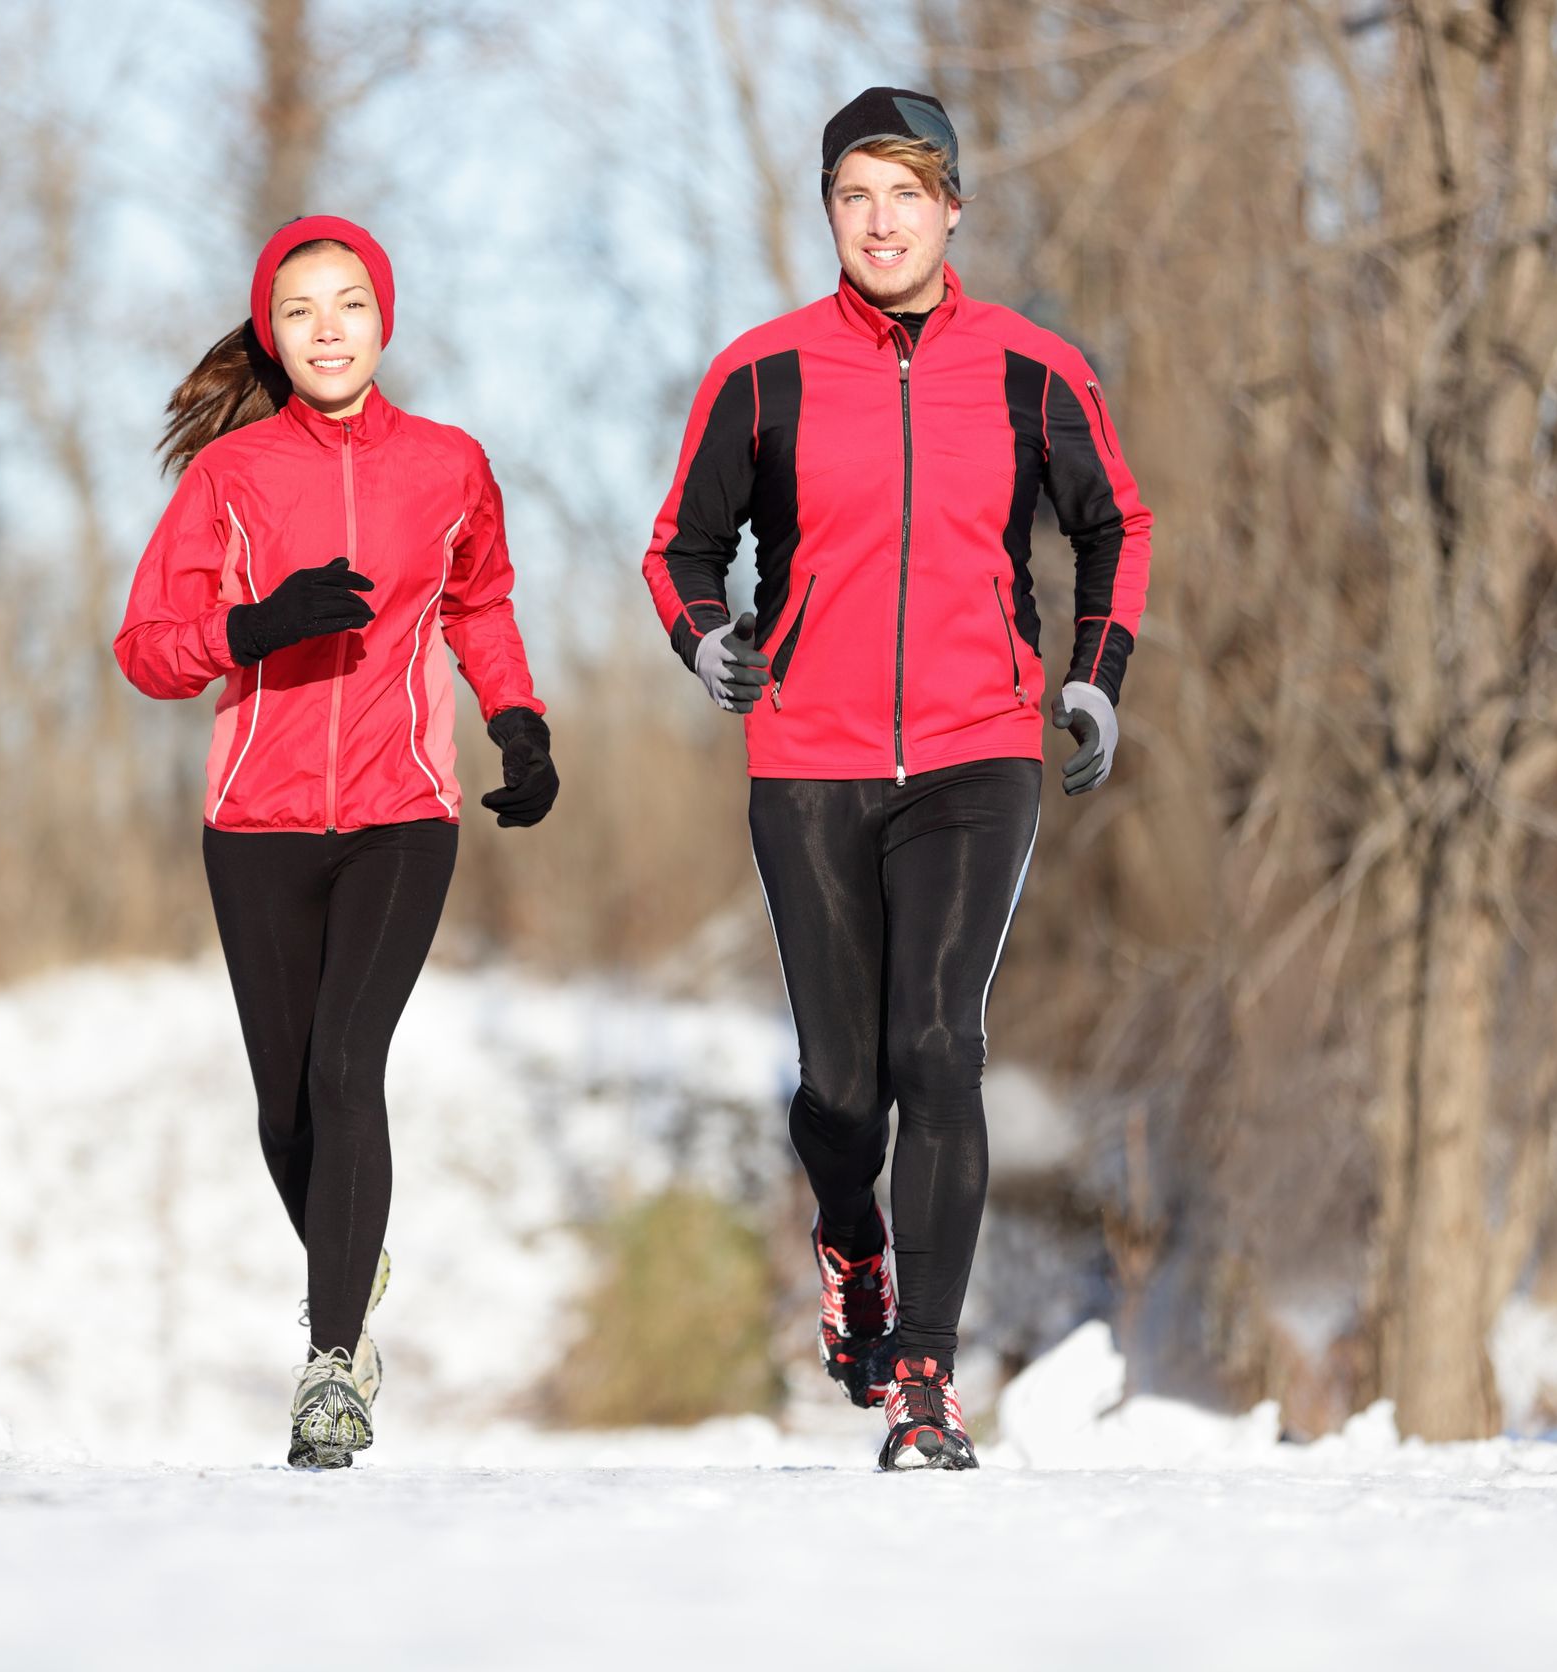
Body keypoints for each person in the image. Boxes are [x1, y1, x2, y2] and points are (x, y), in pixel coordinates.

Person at [640, 88, 1151, 1470]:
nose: (882, 221)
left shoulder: (1031, 369)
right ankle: (850, 1239)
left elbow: (1112, 523)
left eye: (907, 195)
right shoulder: (766, 375)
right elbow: (679, 552)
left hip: (979, 748)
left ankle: (925, 1374)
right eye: (856, 196)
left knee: (941, 1047)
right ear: (831, 214)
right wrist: (709, 648)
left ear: (952, 209)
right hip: (808, 756)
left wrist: (1093, 676)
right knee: (846, 1088)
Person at [116, 215, 558, 1469]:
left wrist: (518, 724)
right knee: (285, 1105)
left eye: (350, 303)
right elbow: (147, 646)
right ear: (274, 331)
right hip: (254, 824)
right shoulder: (232, 477)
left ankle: (330, 1363)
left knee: (347, 1063)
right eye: (302, 309)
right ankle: (351, 1272)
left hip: (402, 813)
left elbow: (482, 603)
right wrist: (253, 628)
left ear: (385, 319)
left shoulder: (450, 464)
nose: (328, 328)